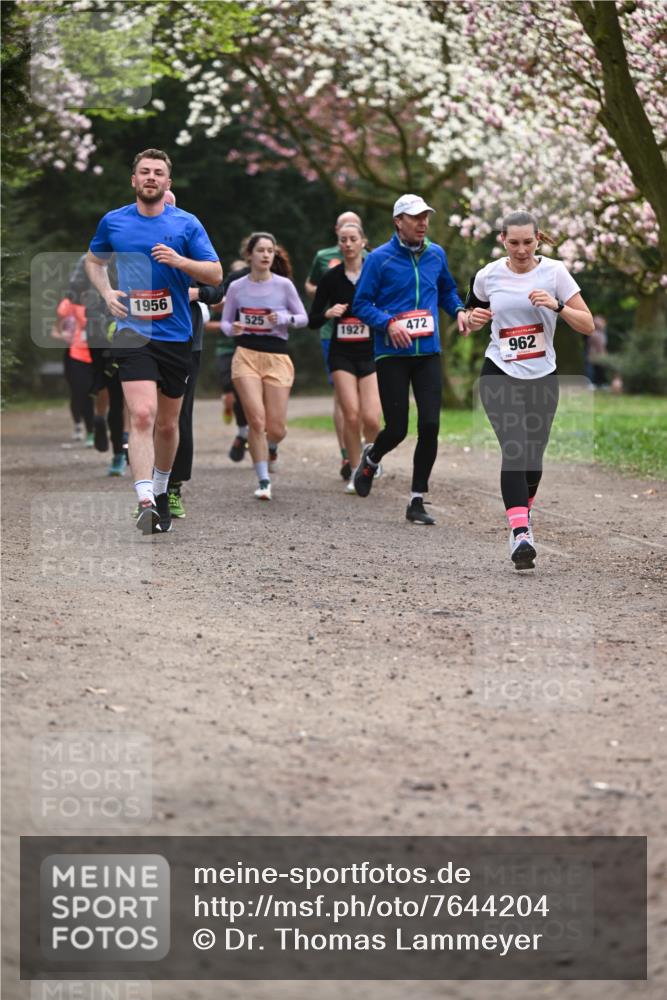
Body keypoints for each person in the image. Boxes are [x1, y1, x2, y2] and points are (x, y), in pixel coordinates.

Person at [85, 148, 222, 534]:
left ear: (167, 183)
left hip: (176, 335)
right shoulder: (114, 222)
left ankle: (162, 490)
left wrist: (181, 262)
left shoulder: (187, 224)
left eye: (158, 173)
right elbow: (93, 262)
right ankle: (145, 499)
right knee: (142, 415)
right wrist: (108, 294)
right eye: (144, 172)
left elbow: (214, 274)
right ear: (134, 180)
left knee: (167, 424)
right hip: (134, 332)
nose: (150, 178)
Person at [465, 209, 594, 569]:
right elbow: (469, 314)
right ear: (502, 241)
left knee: (533, 461)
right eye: (513, 242)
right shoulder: (488, 275)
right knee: (516, 448)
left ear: (538, 239)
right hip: (499, 372)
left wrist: (557, 305)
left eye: (527, 242)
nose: (521, 249)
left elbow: (588, 324)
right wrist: (470, 320)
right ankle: (520, 532)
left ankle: (522, 511)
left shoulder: (554, 272)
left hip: (542, 376)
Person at [351, 193, 469, 524]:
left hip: (428, 352)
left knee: (430, 425)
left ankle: (417, 500)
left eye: (425, 216)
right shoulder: (379, 259)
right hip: (392, 354)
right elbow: (361, 304)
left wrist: (458, 311)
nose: (422, 223)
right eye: (415, 217)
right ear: (398, 222)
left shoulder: (436, 254)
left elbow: (447, 290)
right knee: (398, 428)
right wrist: (388, 323)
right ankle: (372, 458)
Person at [220, 232, 307, 500]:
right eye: (261, 250)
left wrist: (283, 318)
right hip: (245, 353)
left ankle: (272, 446)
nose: (267, 255)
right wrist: (231, 328)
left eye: (270, 250)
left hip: (277, 356)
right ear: (250, 255)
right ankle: (263, 480)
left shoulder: (284, 286)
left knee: (276, 428)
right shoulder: (236, 287)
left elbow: (303, 317)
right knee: (256, 421)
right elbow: (225, 322)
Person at [161, 190, 224, 519]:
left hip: (187, 340)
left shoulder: (190, 236)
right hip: (145, 338)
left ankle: (174, 488)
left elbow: (217, 287)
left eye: (169, 206)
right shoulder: (137, 239)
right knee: (144, 416)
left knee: (178, 416)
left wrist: (192, 291)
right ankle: (148, 490)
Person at [308, 221, 382, 493]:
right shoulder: (331, 278)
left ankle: (370, 460)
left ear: (363, 242)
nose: (348, 244)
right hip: (342, 353)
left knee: (372, 419)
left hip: (371, 351)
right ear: (338, 245)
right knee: (351, 415)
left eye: (353, 239)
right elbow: (313, 319)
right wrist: (328, 313)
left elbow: (390, 306)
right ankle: (354, 470)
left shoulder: (376, 273)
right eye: (343, 240)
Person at [305, 211, 364, 481]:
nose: (348, 240)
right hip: (333, 334)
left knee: (368, 405)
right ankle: (346, 452)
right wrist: (326, 300)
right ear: (337, 233)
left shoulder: (371, 261)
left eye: (353, 233)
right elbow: (311, 286)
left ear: (362, 237)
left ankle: (366, 452)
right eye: (343, 233)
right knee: (343, 398)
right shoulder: (323, 257)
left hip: (367, 338)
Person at [67, 253, 126, 475]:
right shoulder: (88, 259)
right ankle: (107, 430)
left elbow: (72, 293)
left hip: (117, 328)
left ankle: (117, 443)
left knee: (114, 386)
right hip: (107, 329)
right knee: (114, 389)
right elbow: (73, 292)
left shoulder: (87, 258)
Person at [51, 295, 95, 446]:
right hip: (75, 355)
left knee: (93, 393)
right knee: (79, 393)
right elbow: (55, 330)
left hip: (97, 355)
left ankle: (97, 425)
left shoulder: (101, 299)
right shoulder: (67, 304)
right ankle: (84, 427)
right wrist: (65, 336)